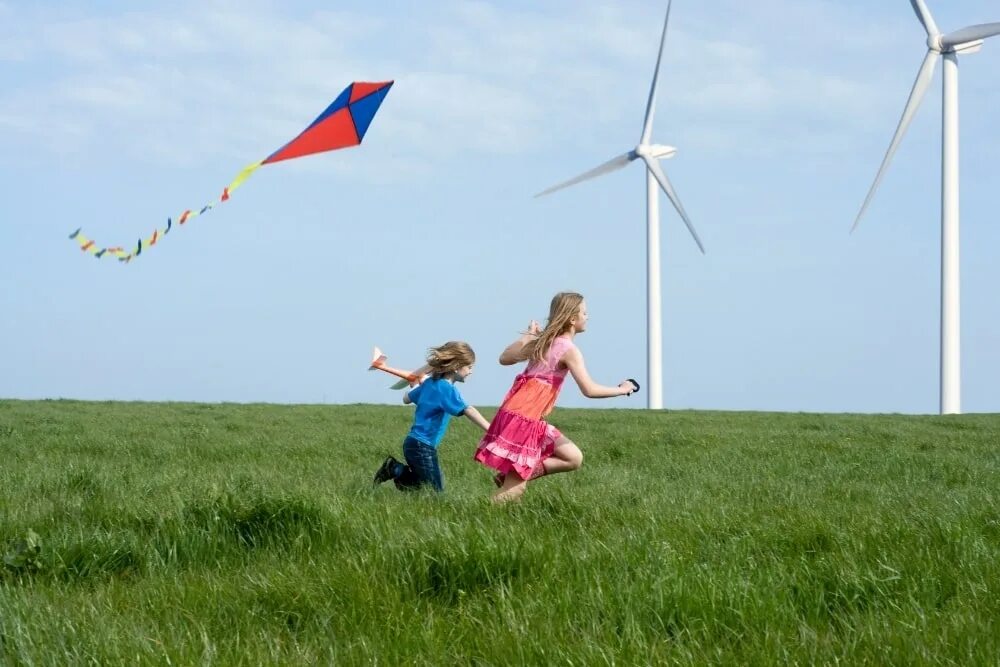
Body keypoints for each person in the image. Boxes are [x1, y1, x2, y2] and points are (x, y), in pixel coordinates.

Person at [473, 292, 638, 502]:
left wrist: (528, 335)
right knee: (515, 491)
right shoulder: (568, 350)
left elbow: (504, 358)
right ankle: (476, 515)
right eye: (585, 313)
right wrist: (622, 389)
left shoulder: (543, 342)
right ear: (572, 319)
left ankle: (511, 477)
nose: (588, 317)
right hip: (525, 418)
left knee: (573, 457)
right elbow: (589, 390)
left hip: (518, 413)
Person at [373, 341, 490, 492]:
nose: (471, 371)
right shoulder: (446, 388)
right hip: (423, 446)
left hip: (412, 443)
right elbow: (468, 409)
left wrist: (417, 384)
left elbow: (406, 398)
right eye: (469, 367)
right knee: (435, 492)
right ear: (455, 367)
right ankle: (394, 469)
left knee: (420, 486)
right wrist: (489, 428)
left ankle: (396, 470)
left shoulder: (430, 384)